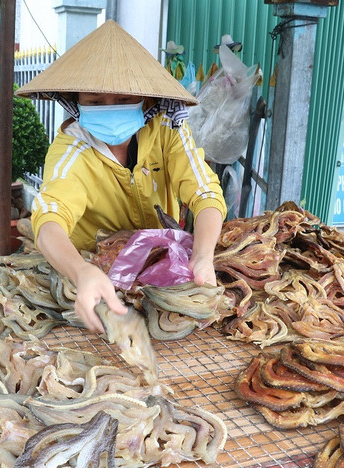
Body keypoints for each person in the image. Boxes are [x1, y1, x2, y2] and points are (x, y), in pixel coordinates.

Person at [16, 21, 227, 334]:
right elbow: (49, 220)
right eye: (95, 102)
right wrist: (81, 272)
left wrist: (202, 257)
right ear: (76, 102)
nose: (110, 108)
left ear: (144, 99)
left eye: (123, 99)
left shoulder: (168, 130)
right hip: (94, 278)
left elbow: (205, 192)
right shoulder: (71, 149)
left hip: (159, 271)